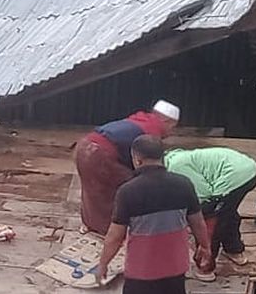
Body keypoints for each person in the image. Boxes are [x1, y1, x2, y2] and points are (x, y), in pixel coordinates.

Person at [97, 136, 213, 294]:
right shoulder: (183, 184)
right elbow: (198, 222)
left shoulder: (128, 191)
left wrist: (103, 263)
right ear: (163, 157)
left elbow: (115, 236)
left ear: (137, 159)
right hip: (175, 266)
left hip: (142, 270)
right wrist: (204, 246)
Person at [75, 101, 181, 235]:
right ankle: (111, 231)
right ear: (166, 121)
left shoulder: (139, 119)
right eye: (173, 127)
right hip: (99, 154)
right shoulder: (152, 132)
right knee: (124, 189)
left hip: (84, 146)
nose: (171, 132)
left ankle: (90, 223)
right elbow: (146, 165)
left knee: (92, 189)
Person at [165, 147, 256, 267]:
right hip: (249, 170)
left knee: (210, 220)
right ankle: (233, 249)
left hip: (235, 176)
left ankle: (205, 266)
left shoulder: (176, 167)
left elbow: (204, 194)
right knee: (227, 211)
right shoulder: (176, 157)